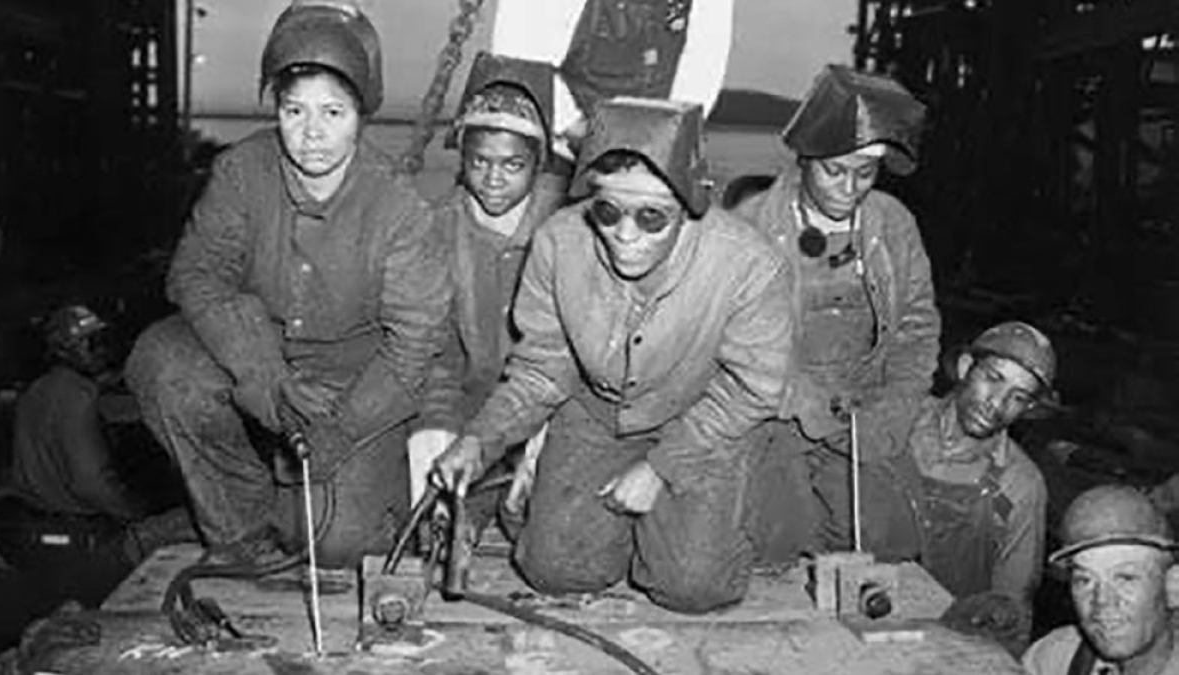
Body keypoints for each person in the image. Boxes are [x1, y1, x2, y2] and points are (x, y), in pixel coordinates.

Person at [432, 96, 796, 613]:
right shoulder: (559, 243)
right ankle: (577, 510)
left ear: (692, 202)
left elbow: (754, 389)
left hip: (701, 421)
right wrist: (480, 438)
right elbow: (542, 369)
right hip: (596, 414)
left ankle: (706, 514)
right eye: (607, 211)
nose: (625, 235)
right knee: (554, 573)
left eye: (653, 217)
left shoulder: (749, 265)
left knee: (694, 587)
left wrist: (661, 469)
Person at [125, 0, 450, 569]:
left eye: (333, 113)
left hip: (353, 384)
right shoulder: (241, 171)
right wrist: (266, 376)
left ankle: (301, 503)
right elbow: (196, 273)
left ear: (361, 115)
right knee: (162, 363)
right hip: (260, 358)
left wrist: (342, 430)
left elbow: (413, 349)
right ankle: (239, 524)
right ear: (275, 107)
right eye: (294, 111)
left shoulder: (400, 208)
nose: (312, 135)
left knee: (337, 547)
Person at [733, 64, 938, 560]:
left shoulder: (893, 225)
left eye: (865, 173)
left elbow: (916, 329)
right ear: (804, 159)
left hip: (861, 406)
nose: (849, 189)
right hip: (774, 409)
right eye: (834, 171)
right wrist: (797, 399)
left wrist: (894, 410)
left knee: (890, 542)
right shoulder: (751, 225)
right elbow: (731, 345)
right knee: (780, 541)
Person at [408, 52, 561, 520]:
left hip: (551, 407)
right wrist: (436, 432)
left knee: (544, 541)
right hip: (467, 406)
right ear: (462, 160)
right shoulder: (436, 231)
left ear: (539, 165)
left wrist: (537, 442)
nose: (493, 179)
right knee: (433, 517)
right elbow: (437, 358)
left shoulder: (569, 229)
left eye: (513, 165)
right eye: (479, 161)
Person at [893, 321, 1054, 655]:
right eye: (993, 379)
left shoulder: (1020, 485)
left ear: (1028, 408)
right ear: (966, 367)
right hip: (857, 617)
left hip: (941, 648)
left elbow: (1013, 605)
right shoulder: (896, 423)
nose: (996, 404)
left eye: (1018, 397)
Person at [489, 0, 734, 161]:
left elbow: (705, 59)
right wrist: (574, 130)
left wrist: (664, 139)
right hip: (555, 145)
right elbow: (520, 60)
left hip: (657, 149)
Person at [1023, 485, 1179, 674]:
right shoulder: (1056, 656)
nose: (1101, 601)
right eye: (1084, 580)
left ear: (1172, 587)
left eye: (1125, 578)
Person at [7, 306, 141, 520]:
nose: (100, 350)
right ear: (62, 350)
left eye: (100, 340)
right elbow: (88, 482)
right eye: (90, 343)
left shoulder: (34, 391)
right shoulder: (78, 396)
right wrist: (130, 512)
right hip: (83, 524)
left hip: (34, 518)